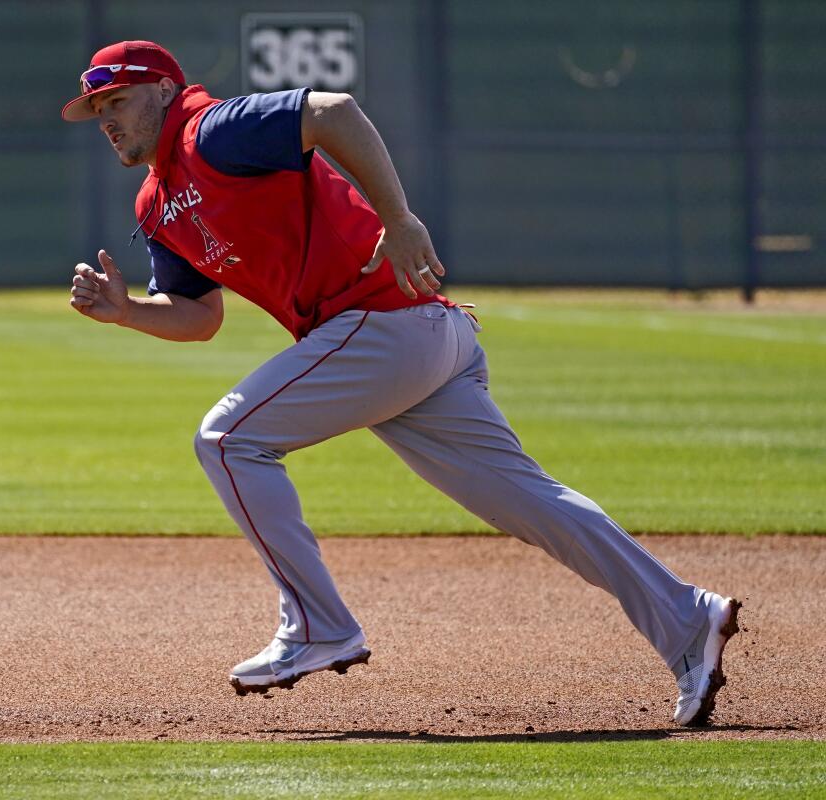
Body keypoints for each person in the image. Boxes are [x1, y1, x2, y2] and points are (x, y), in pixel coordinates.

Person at [61, 40, 741, 727]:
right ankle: (687, 620)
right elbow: (200, 316)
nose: (107, 120)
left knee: (228, 439)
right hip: (411, 341)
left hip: (381, 323)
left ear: (166, 90)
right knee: (535, 504)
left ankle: (318, 625)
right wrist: (126, 313)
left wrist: (399, 218)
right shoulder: (156, 201)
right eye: (96, 110)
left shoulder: (211, 129)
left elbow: (333, 109)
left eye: (117, 100)